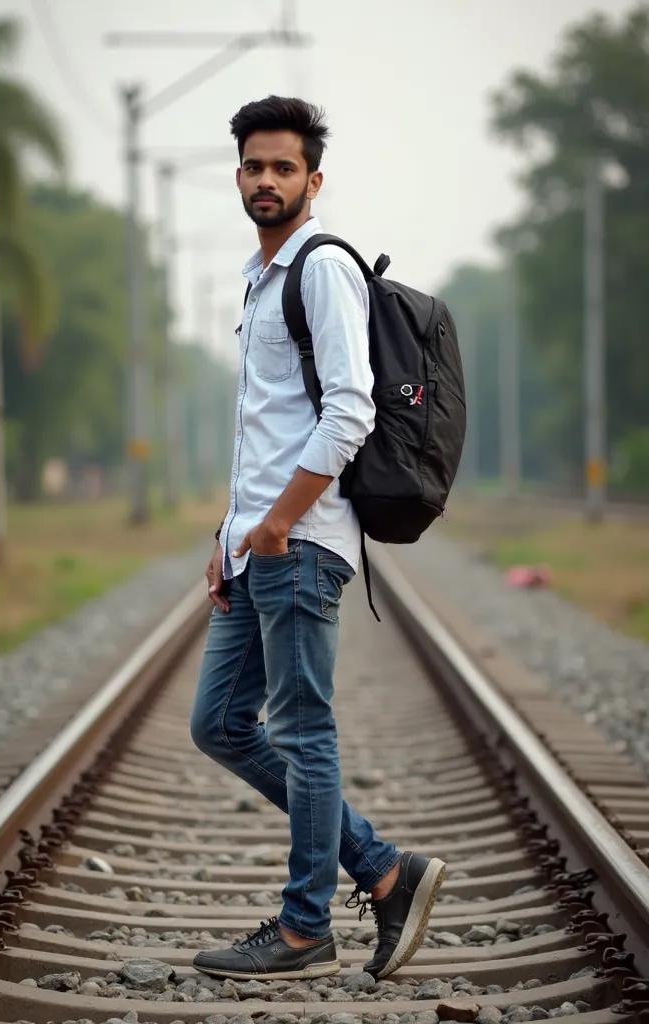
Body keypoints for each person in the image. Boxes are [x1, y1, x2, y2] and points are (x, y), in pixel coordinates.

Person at [190, 96, 445, 982]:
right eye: (255, 166)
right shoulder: (262, 277)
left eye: (284, 167)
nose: (267, 180)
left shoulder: (321, 268)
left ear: (313, 179)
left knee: (302, 732)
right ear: (239, 177)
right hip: (260, 545)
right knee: (220, 724)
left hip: (299, 543)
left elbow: (349, 412)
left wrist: (278, 524)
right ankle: (380, 869)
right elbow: (261, 429)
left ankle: (305, 926)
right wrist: (230, 539)